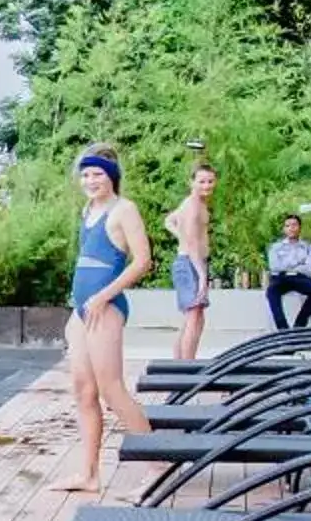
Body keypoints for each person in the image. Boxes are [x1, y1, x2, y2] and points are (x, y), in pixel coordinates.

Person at [57, 144, 153, 494]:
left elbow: (143, 261)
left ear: (111, 176)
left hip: (106, 308)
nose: (90, 180)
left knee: (112, 390)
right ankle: (89, 474)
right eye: (85, 174)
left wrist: (102, 297)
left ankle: (157, 468)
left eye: (97, 173)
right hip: (82, 311)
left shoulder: (124, 209)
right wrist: (76, 309)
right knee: (83, 391)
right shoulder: (88, 210)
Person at [164, 162, 216, 362]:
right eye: (202, 181)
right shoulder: (192, 206)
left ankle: (181, 364)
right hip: (190, 263)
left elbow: (168, 221)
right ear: (191, 182)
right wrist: (202, 275)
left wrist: (181, 236)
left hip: (193, 261)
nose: (206, 185)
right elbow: (193, 244)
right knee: (194, 317)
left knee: (194, 318)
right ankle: (187, 368)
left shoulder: (196, 203)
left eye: (210, 181)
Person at [265, 215, 311, 330]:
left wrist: (288, 267)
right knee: (271, 291)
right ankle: (283, 328)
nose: (291, 228)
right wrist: (298, 264)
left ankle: (299, 325)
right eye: (287, 226)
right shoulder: (276, 247)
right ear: (284, 229)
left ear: (299, 227)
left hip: (300, 278)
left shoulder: (308, 247)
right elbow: (274, 267)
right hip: (280, 278)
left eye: (294, 225)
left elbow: (309, 269)